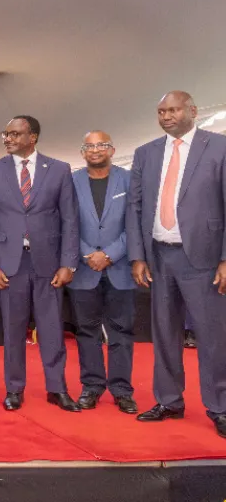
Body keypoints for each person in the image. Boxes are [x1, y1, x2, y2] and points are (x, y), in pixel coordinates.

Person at [126, 91, 226, 438]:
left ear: (192, 111)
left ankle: (220, 406)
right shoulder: (146, 153)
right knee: (165, 334)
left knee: (212, 336)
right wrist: (138, 255)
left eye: (174, 110)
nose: (167, 116)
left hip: (204, 258)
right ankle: (169, 401)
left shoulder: (219, 146)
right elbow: (135, 207)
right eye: (161, 111)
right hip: (159, 257)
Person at [0, 116, 80, 412]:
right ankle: (14, 389)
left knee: (52, 330)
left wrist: (68, 263)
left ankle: (57, 389)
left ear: (32, 137)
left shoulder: (59, 169)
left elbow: (70, 219)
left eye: (14, 134)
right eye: (6, 134)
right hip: (9, 264)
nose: (7, 139)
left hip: (49, 264)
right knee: (13, 330)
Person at [69, 130, 137, 414]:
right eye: (90, 146)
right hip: (84, 269)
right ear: (82, 152)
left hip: (120, 267)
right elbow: (66, 223)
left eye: (102, 145)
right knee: (87, 331)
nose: (95, 150)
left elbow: (136, 222)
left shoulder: (129, 179)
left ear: (112, 149)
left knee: (122, 331)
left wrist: (110, 254)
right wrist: (88, 254)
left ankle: (122, 390)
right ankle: (92, 386)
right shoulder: (71, 181)